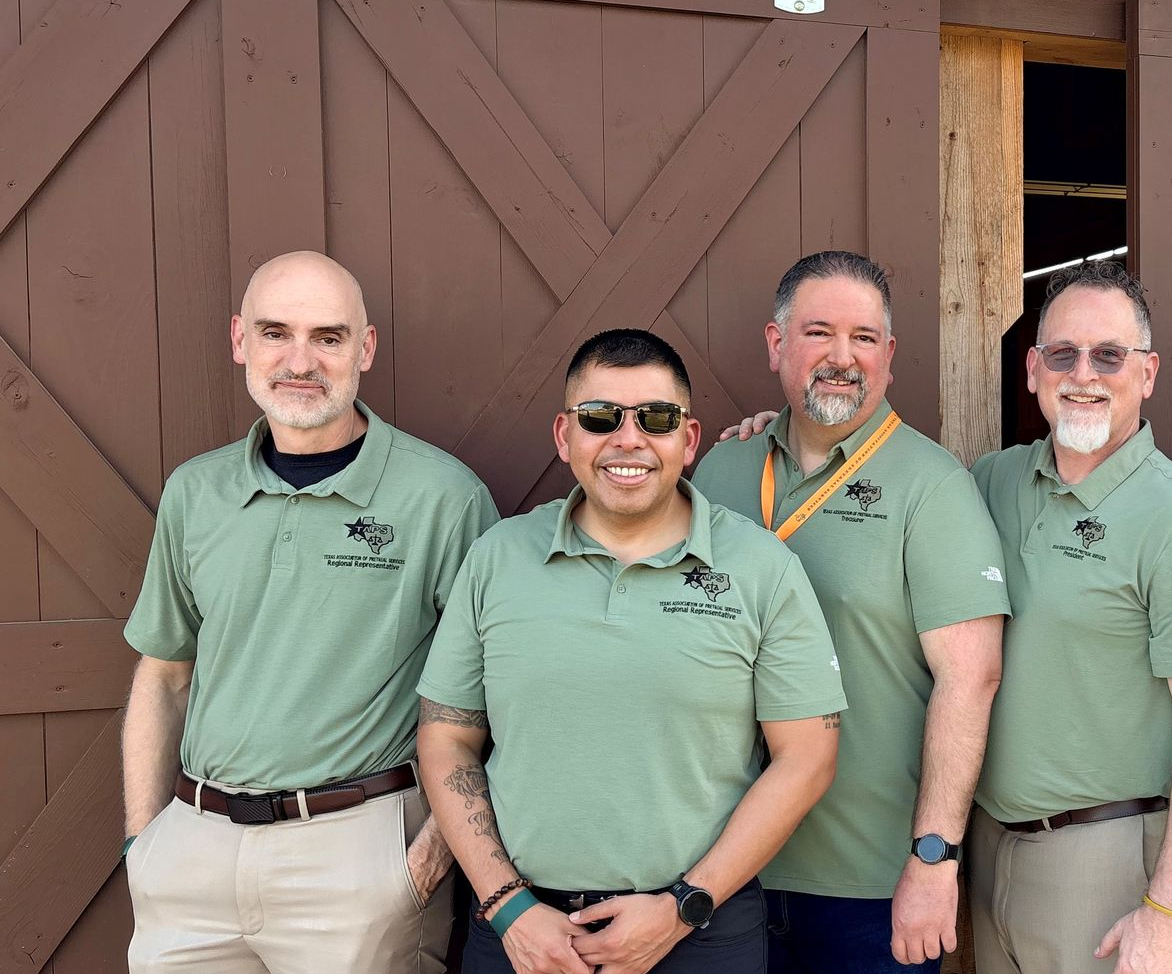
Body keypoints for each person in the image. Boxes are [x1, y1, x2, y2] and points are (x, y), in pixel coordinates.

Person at [415, 329, 845, 974]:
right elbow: (446, 738)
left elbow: (808, 756)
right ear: (565, 436)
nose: (629, 439)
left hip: (701, 932)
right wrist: (508, 906)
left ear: (688, 439)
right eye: (600, 417)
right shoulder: (497, 559)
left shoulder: (763, 569)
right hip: (520, 933)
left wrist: (682, 907)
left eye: (657, 418)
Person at [121, 251, 498, 973]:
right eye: (274, 333)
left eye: (328, 337)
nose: (301, 360)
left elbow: (499, 697)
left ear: (366, 348)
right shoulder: (194, 493)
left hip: (359, 857)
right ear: (239, 341)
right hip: (191, 856)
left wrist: (426, 858)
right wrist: (144, 844)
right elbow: (164, 674)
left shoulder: (444, 498)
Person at [693, 251, 1008, 973]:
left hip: (865, 882)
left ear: (889, 356)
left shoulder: (933, 487)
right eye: (819, 334)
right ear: (777, 345)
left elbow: (972, 679)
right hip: (721, 868)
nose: (843, 357)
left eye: (864, 338)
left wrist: (934, 858)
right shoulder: (723, 469)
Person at [967, 260, 1172, 974]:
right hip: (988, 846)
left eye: (1109, 356)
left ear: (1148, 372)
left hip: (1104, 861)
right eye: (1063, 354)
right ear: (1033, 369)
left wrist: (1171, 912)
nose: (1084, 374)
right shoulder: (992, 482)